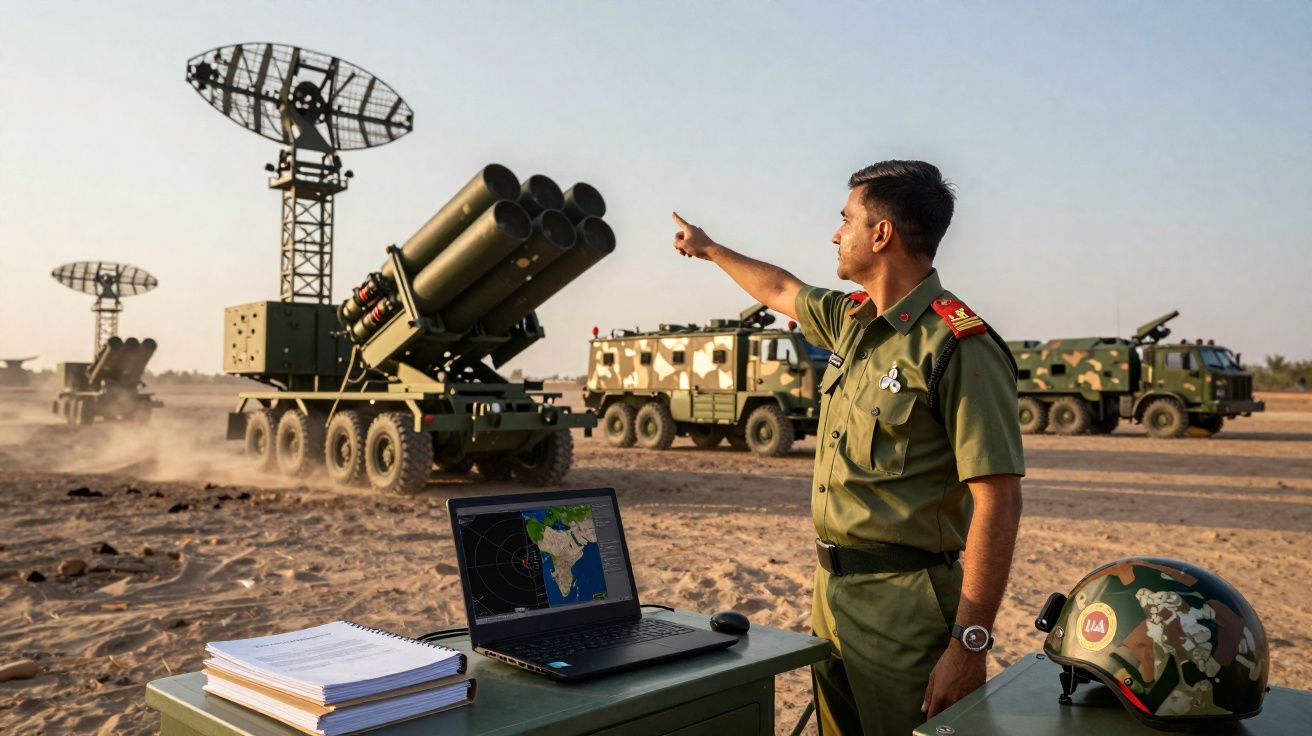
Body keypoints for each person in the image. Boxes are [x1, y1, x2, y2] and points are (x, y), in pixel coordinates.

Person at [671, 160, 1025, 735]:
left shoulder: (959, 346)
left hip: (905, 606)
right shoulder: (852, 321)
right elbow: (781, 289)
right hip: (830, 594)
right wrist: (711, 250)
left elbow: (999, 501)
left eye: (846, 219)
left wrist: (969, 645)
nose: (836, 234)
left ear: (881, 234)